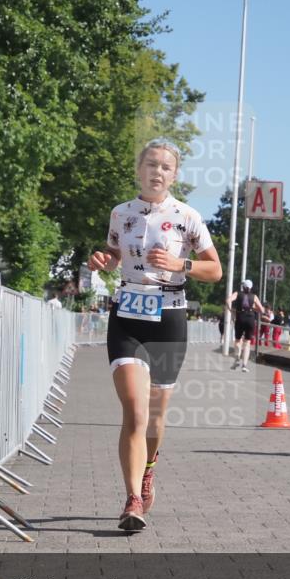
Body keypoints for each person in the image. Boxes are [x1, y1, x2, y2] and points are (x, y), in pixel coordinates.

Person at [87, 139, 222, 531]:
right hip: (127, 314)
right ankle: (132, 500)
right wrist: (103, 259)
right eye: (151, 164)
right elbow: (114, 254)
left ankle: (148, 469)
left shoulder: (188, 217)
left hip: (169, 317)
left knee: (155, 419)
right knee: (135, 410)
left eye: (165, 167)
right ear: (139, 170)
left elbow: (215, 270)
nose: (157, 171)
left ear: (174, 175)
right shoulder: (120, 213)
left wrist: (182, 264)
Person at [226, 279, 263, 372]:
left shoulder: (237, 293)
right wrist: (253, 308)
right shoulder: (254, 296)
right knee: (247, 342)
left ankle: (237, 357)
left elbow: (228, 300)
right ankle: (244, 365)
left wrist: (231, 310)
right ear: (251, 287)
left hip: (240, 318)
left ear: (243, 287)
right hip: (250, 319)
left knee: (238, 340)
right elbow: (262, 310)